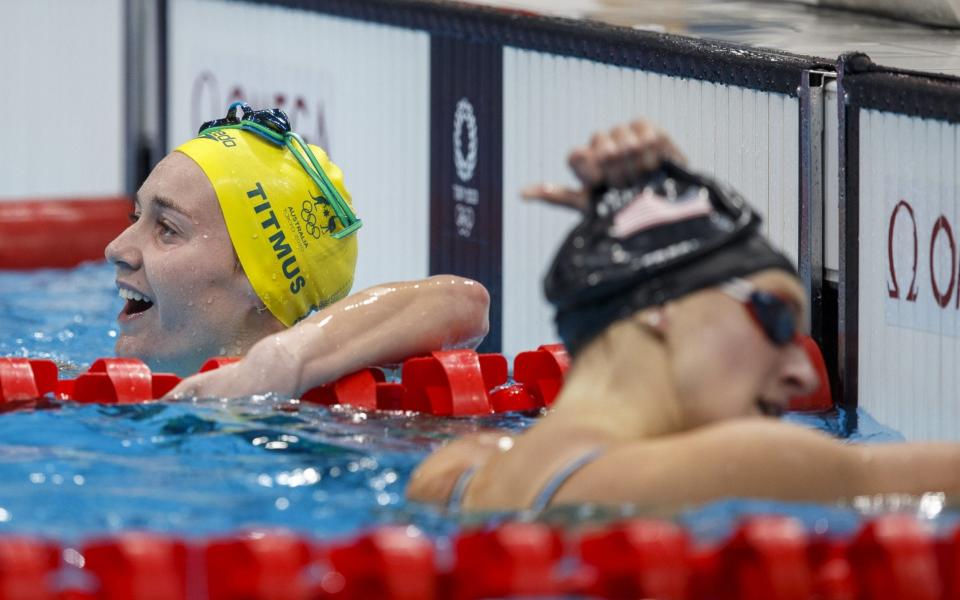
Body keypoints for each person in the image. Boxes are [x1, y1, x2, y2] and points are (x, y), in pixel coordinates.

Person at [407, 120, 960, 511]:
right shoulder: (750, 467)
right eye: (774, 318)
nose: (803, 373)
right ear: (660, 309)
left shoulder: (453, 476)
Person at [104, 103, 489, 398]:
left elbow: (463, 303)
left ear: (259, 276)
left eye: (167, 229)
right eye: (135, 216)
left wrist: (277, 365)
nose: (116, 248)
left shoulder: (327, 420)